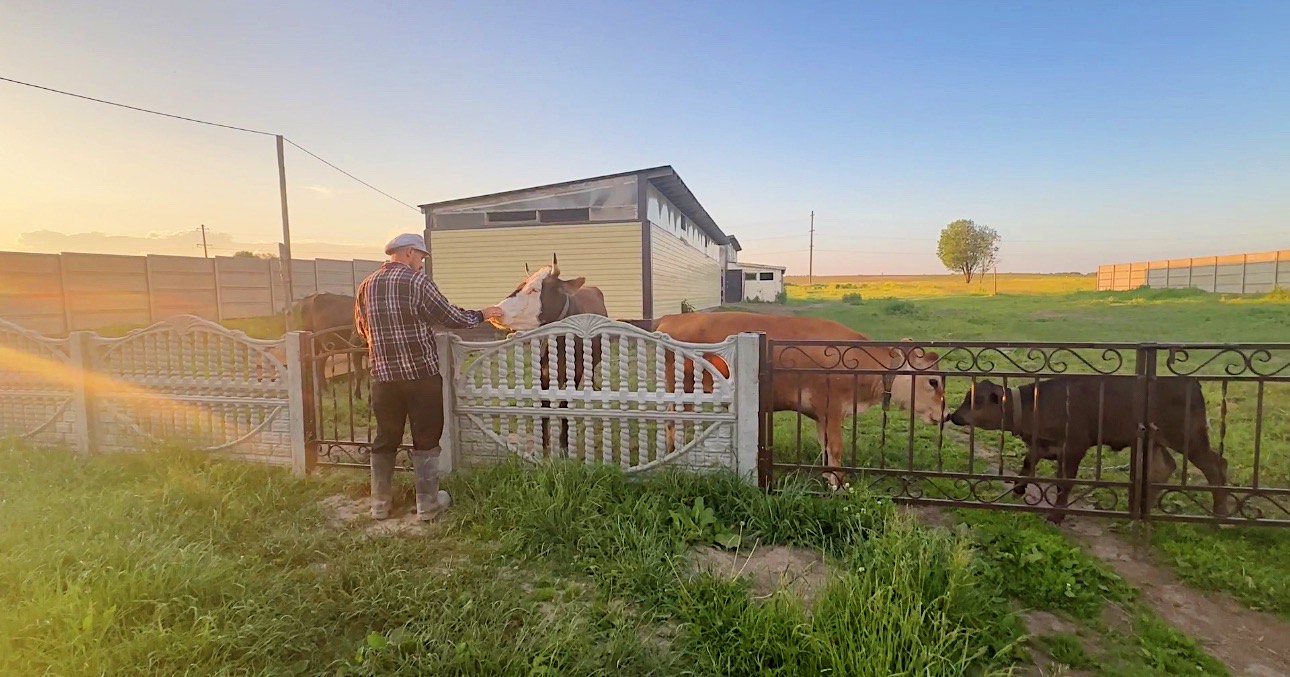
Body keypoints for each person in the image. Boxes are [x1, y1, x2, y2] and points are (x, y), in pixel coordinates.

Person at [354, 233, 503, 521]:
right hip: (420, 377)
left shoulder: (367, 285)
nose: (421, 263)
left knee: (386, 437)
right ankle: (427, 505)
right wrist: (483, 314)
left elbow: (362, 330)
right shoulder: (416, 282)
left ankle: (379, 504)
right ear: (409, 252)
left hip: (383, 378)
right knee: (426, 437)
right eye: (421, 257)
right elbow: (451, 317)